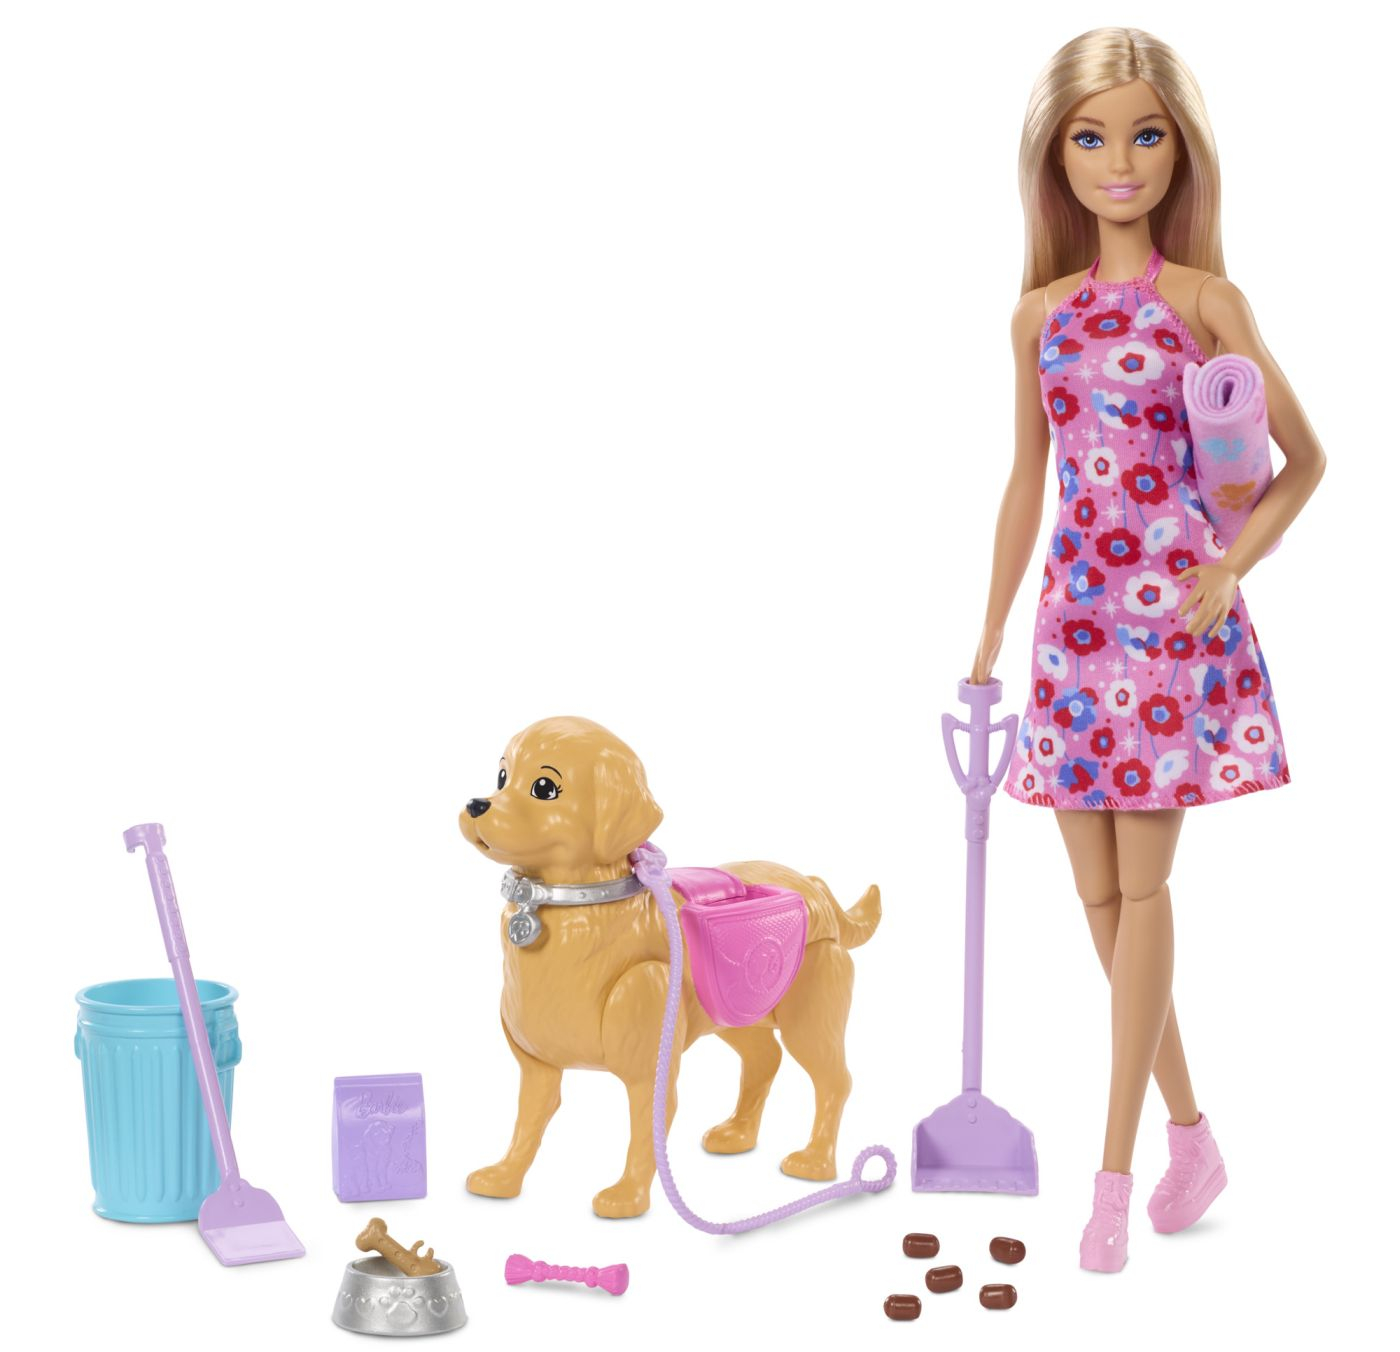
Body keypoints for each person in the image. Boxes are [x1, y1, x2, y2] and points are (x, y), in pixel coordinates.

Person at [969, 27, 1325, 1272]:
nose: (1116, 161)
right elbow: (1026, 482)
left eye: (1142, 135)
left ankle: (1111, 1176)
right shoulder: (1036, 317)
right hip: (1069, 633)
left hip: (1170, 635)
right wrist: (986, 631)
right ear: (1053, 155)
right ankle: (1192, 1135)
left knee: (1141, 893)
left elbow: (1301, 462)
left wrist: (1228, 566)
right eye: (1089, 136)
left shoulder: (1204, 303)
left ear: (1179, 150)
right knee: (1097, 902)